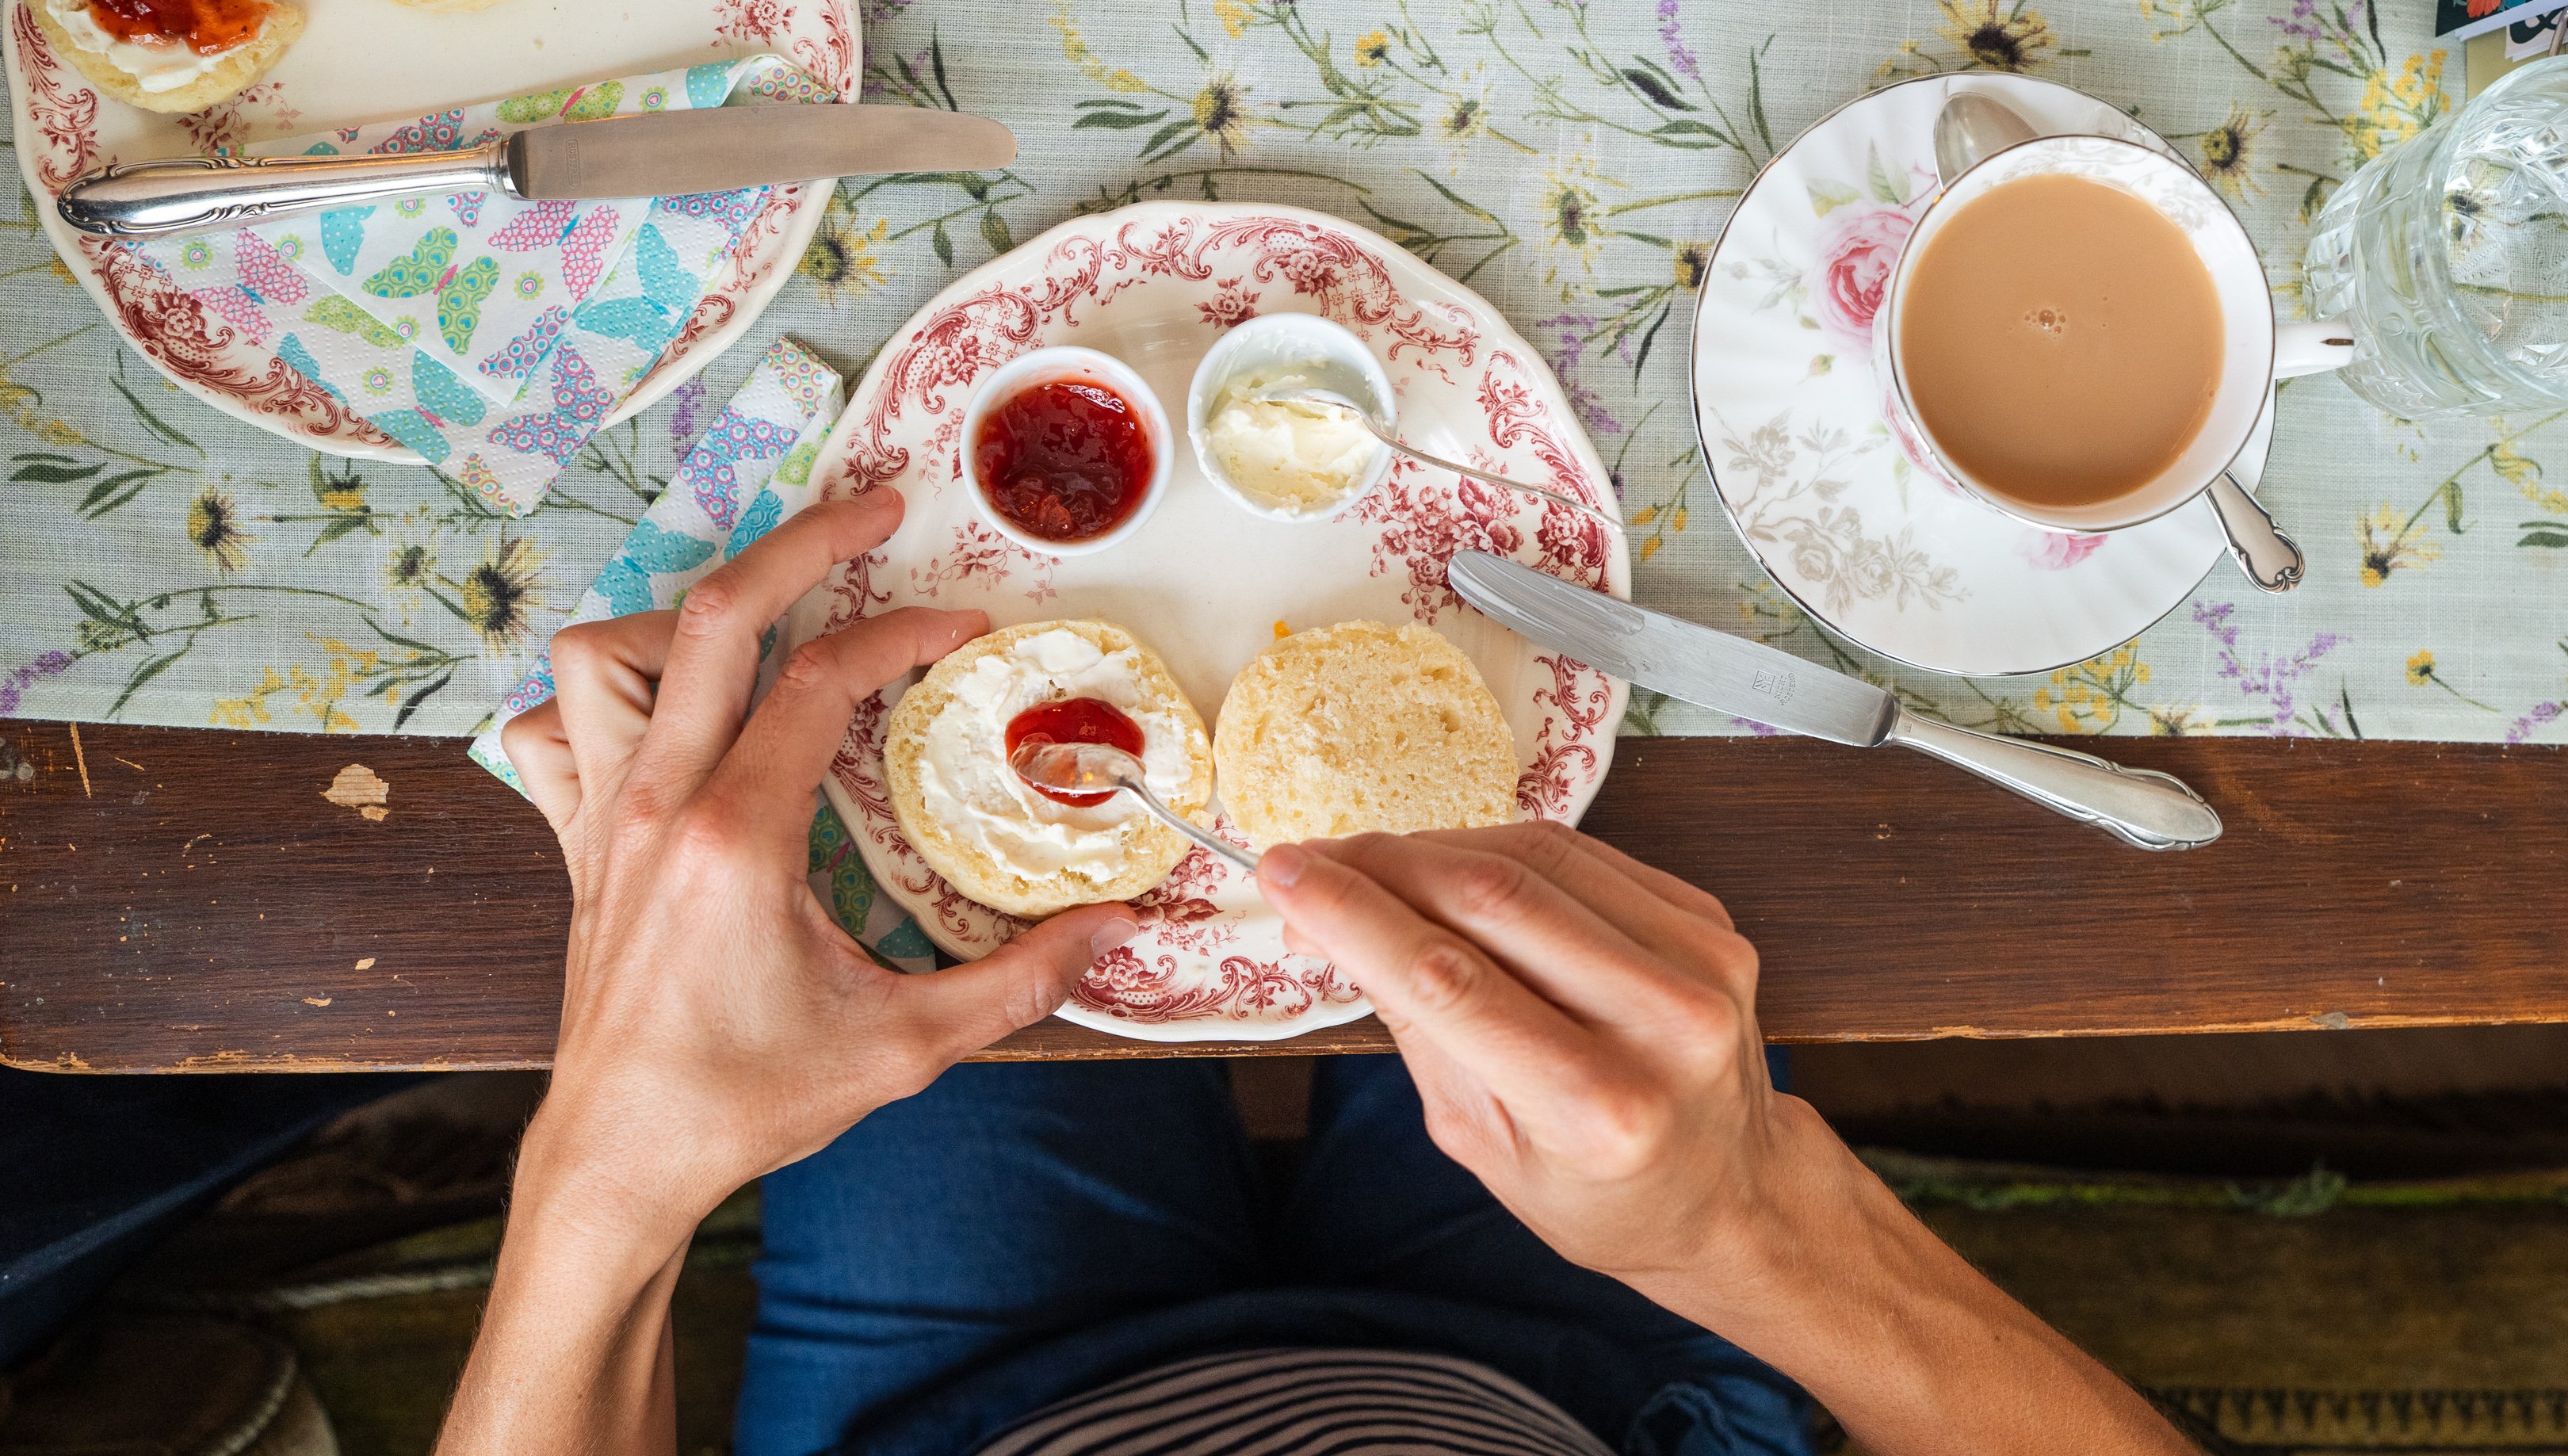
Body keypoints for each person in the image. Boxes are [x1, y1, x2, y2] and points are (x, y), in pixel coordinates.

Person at [446, 493, 2195, 1456]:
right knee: (1563, 895)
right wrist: (1765, 1239)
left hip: (963, 1412)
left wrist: (606, 1168)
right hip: (1604, 1385)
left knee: (900, 920)